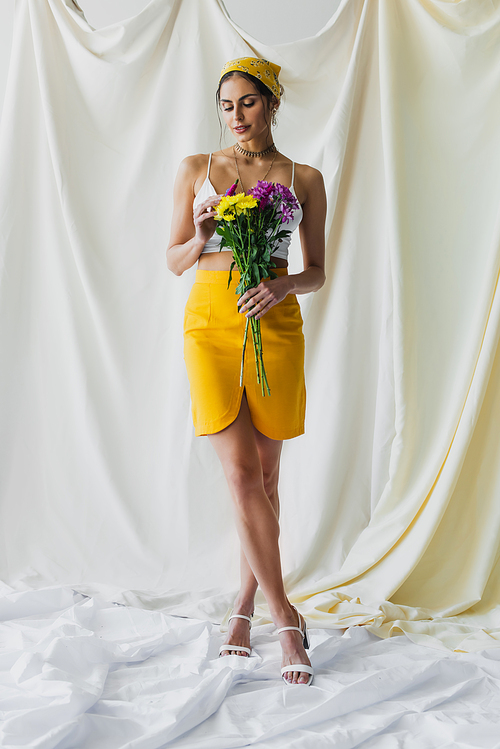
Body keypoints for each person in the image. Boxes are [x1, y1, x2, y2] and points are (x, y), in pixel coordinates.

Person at [167, 57, 326, 686]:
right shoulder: (195, 170)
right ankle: (284, 615)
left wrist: (282, 286)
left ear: (274, 104)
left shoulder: (304, 177)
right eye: (227, 107)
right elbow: (174, 260)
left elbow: (316, 270)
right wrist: (201, 231)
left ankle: (241, 607)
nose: (237, 117)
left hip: (274, 324)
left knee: (265, 473)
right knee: (238, 474)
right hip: (209, 322)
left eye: (249, 104)